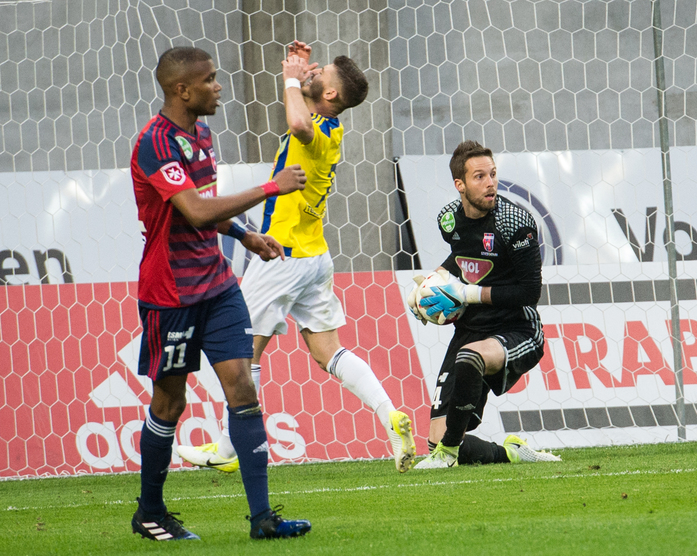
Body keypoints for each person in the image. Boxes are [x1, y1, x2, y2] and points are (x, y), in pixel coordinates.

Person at [175, 41, 417, 474]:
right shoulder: (330, 127)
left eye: (320, 75)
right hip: (314, 257)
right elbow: (300, 111)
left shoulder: (316, 130)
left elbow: (299, 123)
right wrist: (298, 77)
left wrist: (291, 79)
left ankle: (230, 447)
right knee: (329, 353)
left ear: (330, 95)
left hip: (281, 258)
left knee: (242, 353)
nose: (313, 71)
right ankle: (391, 416)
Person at [130, 46, 310, 540]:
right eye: (209, 79)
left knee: (242, 389)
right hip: (171, 295)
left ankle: (263, 519)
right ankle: (149, 513)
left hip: (217, 285)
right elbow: (193, 210)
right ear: (182, 90)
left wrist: (245, 233)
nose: (219, 86)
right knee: (169, 404)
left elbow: (210, 207)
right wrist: (270, 188)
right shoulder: (154, 143)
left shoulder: (202, 134)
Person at [409, 140, 561, 469]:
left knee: (470, 357)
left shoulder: (515, 223)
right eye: (479, 176)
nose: (490, 183)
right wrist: (430, 285)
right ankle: (509, 452)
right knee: (435, 439)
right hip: (471, 328)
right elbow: (461, 256)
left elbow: (529, 292)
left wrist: (467, 294)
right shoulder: (449, 220)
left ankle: (448, 454)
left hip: (516, 328)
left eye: (492, 174)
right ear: (460, 185)